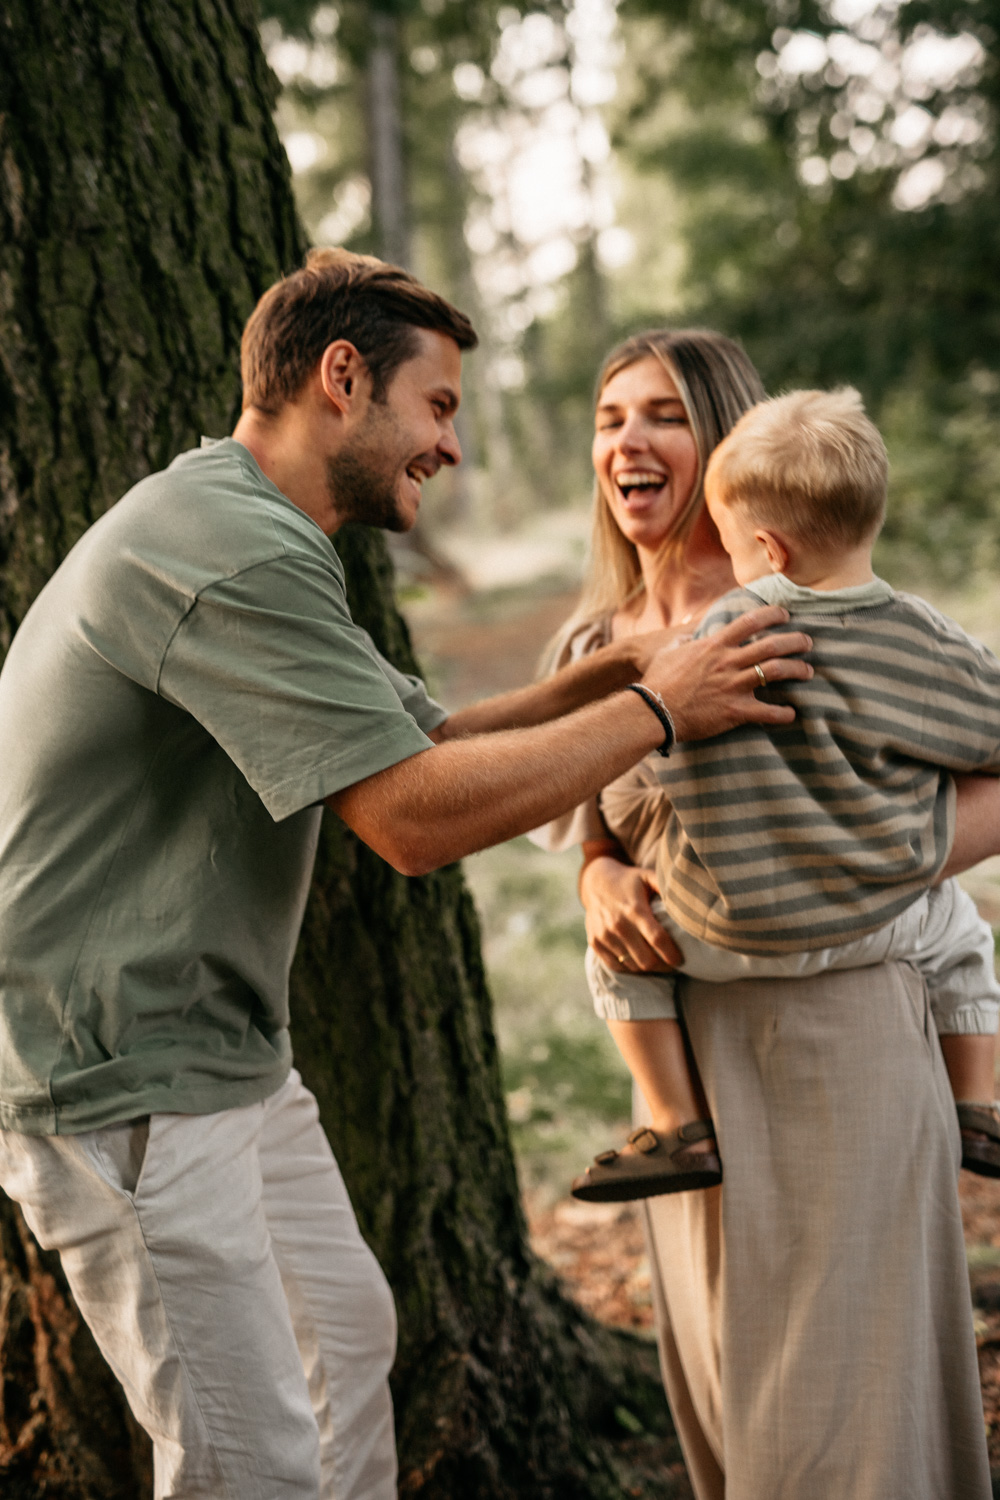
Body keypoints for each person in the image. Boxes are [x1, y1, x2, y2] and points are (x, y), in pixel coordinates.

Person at [0, 252, 812, 1500]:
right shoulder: (227, 551)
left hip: (218, 1050)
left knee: (346, 1345)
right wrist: (659, 706)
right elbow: (411, 820)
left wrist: (621, 668)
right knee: (244, 1459)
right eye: (436, 407)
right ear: (342, 379)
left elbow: (423, 736)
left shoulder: (244, 522)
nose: (449, 448)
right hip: (122, 1072)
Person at [534, 328, 993, 1497]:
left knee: (848, 1392)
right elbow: (585, 813)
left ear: (730, 449)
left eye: (663, 416)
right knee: (734, 1381)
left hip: (839, 1032)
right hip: (684, 1065)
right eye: (608, 417)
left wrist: (876, 869)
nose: (627, 440)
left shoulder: (829, 624)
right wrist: (595, 874)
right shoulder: (595, 645)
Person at [571, 386, 1000, 1203]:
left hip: (722, 933)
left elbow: (634, 780)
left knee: (614, 958)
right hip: (877, 921)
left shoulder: (715, 639)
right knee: (961, 930)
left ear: (766, 549)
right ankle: (978, 1104)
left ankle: (675, 1126)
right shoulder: (929, 643)